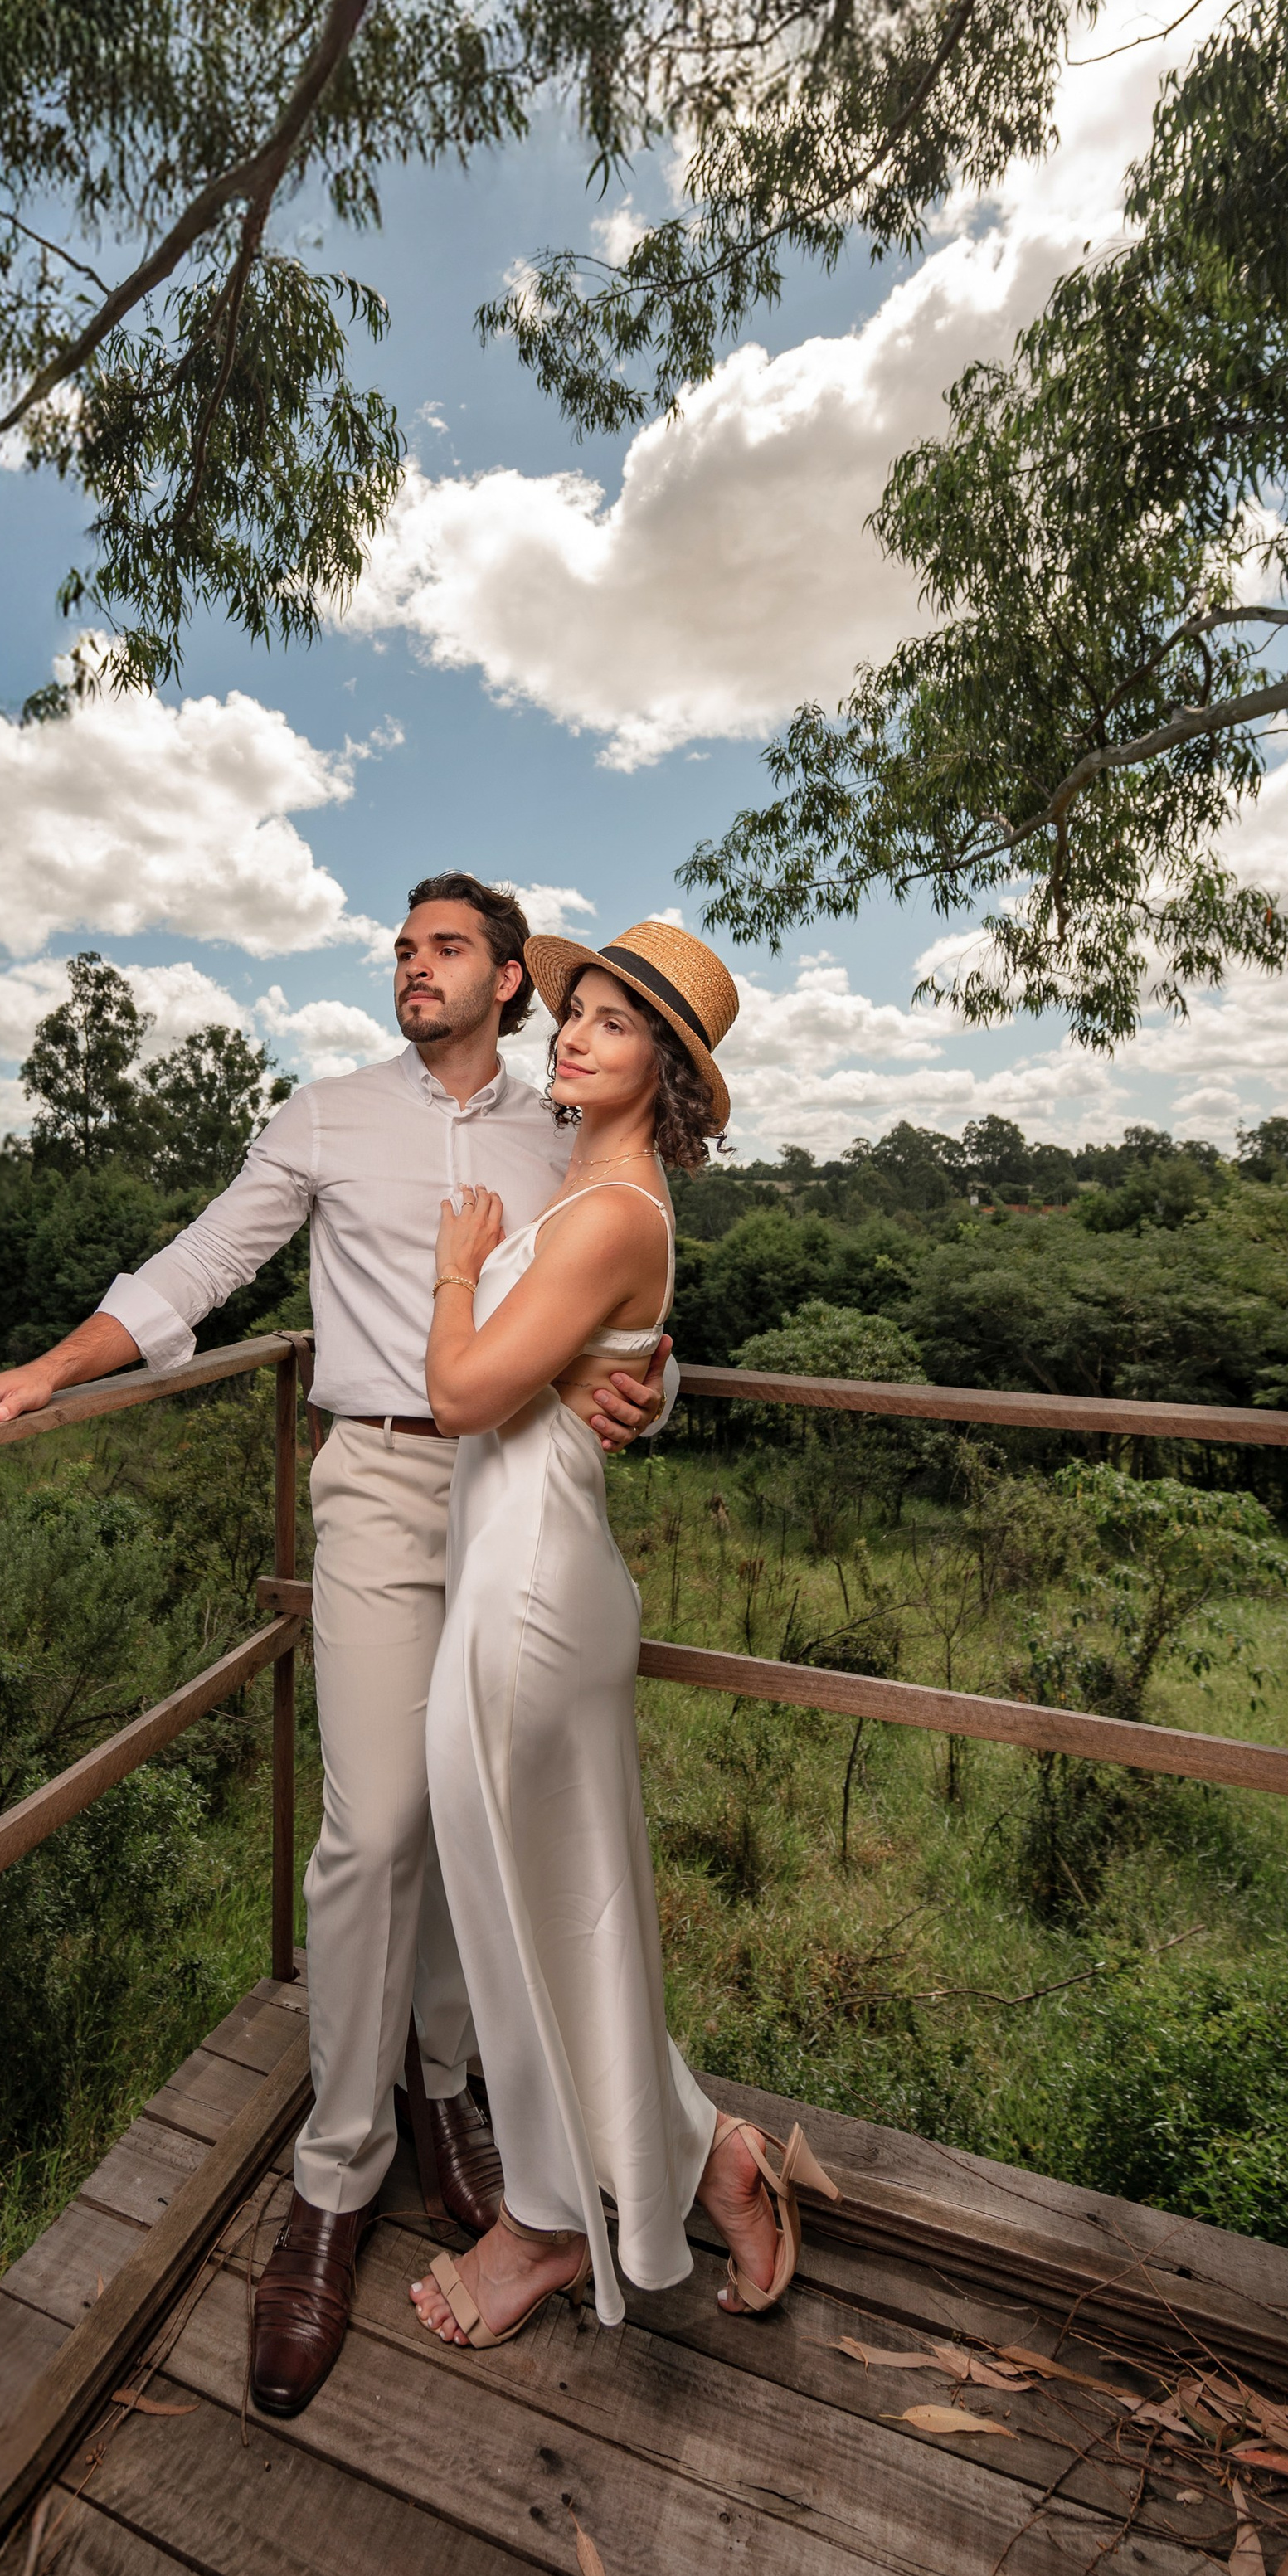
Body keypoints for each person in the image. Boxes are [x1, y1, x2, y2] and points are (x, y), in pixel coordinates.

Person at [0, 874, 669, 2416]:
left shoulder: (565, 1135)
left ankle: (447, 2088)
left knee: (480, 1820)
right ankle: (335, 2177)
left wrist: (647, 1393)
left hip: (520, 1496)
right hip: (385, 1486)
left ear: (508, 983)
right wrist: (56, 1364)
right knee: (378, 1829)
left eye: (446, 947)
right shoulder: (331, 1113)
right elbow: (205, 1265)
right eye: (402, 948)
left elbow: (622, 1318)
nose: (413, 965)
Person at [407, 918, 838, 2356]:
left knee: (522, 1920)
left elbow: (466, 1394)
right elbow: (616, 1347)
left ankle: (539, 2227)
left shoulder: (604, 1211)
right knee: (549, 1913)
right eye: (574, 1011)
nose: (574, 1034)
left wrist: (459, 1266)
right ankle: (712, 2156)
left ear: (670, 1069)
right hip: (531, 1575)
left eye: (613, 1022)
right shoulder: (598, 1189)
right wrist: (655, 1379)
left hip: (529, 1594)